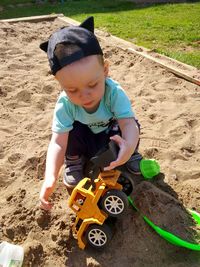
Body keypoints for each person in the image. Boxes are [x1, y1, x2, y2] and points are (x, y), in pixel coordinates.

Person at [39, 16, 142, 210]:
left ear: (105, 71)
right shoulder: (65, 104)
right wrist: (50, 176)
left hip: (109, 135)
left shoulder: (114, 92)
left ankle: (131, 152)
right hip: (85, 139)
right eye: (72, 90)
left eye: (92, 85)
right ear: (61, 85)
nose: (84, 96)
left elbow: (128, 124)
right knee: (70, 134)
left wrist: (128, 145)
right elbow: (58, 142)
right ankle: (74, 161)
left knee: (132, 127)